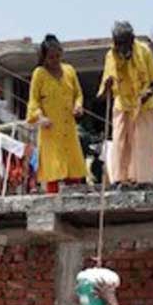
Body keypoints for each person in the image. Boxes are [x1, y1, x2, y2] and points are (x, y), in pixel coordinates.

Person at [98, 21, 153, 185]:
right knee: (119, 142)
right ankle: (119, 180)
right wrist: (106, 87)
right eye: (118, 44)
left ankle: (143, 181)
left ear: (132, 40)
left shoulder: (144, 51)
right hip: (123, 105)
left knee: (142, 143)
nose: (121, 48)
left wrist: (146, 94)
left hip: (144, 106)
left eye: (124, 43)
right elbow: (105, 92)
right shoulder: (111, 55)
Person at [27, 35, 87, 194]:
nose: (55, 60)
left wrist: (78, 106)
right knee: (52, 170)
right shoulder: (39, 74)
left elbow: (78, 94)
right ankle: (52, 198)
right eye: (51, 57)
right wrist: (40, 117)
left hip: (68, 129)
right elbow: (33, 102)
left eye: (57, 56)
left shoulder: (70, 71)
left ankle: (76, 198)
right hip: (50, 131)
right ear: (44, 57)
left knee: (73, 168)